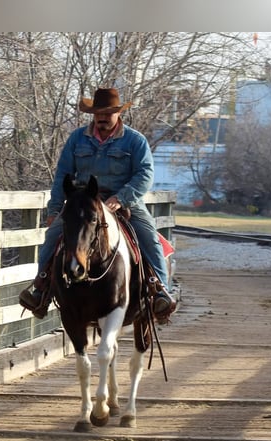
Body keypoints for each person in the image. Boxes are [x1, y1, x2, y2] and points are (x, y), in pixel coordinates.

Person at [19, 87, 176, 323]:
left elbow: (145, 175)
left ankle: (159, 292)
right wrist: (54, 209)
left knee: (149, 237)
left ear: (117, 114)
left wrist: (121, 198)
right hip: (82, 202)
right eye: (98, 114)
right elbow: (63, 173)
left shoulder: (134, 140)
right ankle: (40, 288)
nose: (102, 118)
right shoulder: (77, 138)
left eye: (107, 114)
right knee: (53, 236)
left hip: (122, 202)